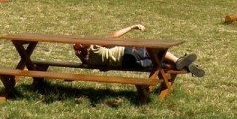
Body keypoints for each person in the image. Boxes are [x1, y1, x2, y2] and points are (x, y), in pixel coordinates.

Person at [74, 24, 205, 77]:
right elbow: (113, 37)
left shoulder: (89, 60)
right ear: (86, 45)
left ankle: (186, 66)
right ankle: (179, 61)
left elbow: (103, 68)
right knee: (157, 52)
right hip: (128, 55)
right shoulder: (95, 47)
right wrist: (132, 26)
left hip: (128, 65)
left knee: (158, 64)